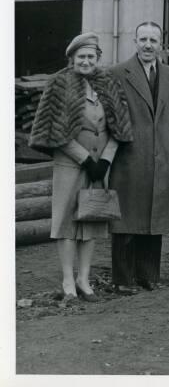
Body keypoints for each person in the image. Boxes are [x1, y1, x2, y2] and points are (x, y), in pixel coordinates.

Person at [29, 32, 133, 302]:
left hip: (100, 166)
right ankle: (67, 280)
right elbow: (54, 130)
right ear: (71, 58)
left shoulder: (107, 83)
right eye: (81, 57)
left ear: (98, 59)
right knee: (66, 222)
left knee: (92, 221)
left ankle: (84, 280)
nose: (86, 61)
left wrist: (106, 159)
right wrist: (84, 159)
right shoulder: (58, 84)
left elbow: (118, 127)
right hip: (71, 164)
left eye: (91, 57)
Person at [108, 22, 169, 294]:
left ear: (161, 43)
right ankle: (123, 279)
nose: (148, 45)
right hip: (130, 155)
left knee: (155, 216)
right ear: (134, 41)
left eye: (153, 40)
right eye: (143, 39)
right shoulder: (117, 73)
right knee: (127, 218)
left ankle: (149, 275)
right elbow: (111, 117)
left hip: (163, 155)